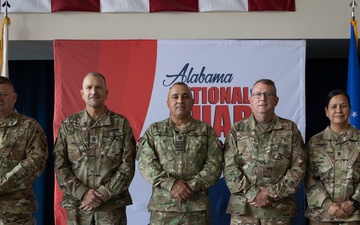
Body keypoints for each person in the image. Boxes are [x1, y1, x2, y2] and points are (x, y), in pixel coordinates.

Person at [53, 72, 136, 225]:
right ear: (82, 94)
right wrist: (82, 193)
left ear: (106, 93)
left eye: (98, 87)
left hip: (110, 208)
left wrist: (104, 193)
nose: (93, 92)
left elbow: (128, 165)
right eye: (89, 87)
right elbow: (60, 164)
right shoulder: (69, 125)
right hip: (78, 207)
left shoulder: (121, 124)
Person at [137, 82, 223, 225]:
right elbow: (146, 164)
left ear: (192, 102)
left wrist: (191, 186)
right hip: (163, 211)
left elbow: (215, 165)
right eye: (175, 97)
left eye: (185, 97)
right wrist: (171, 184)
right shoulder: (154, 131)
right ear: (168, 102)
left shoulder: (206, 131)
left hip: (196, 211)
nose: (180, 101)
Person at [223, 78, 306, 225]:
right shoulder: (237, 130)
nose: (262, 98)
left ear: (276, 100)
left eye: (268, 94)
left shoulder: (290, 129)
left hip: (278, 210)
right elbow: (230, 168)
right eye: (257, 94)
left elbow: (299, 167)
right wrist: (253, 193)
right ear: (250, 100)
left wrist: (271, 192)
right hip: (244, 211)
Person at [305, 89, 360, 224]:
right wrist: (328, 205)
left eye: (343, 106)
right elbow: (309, 177)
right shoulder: (315, 142)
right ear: (326, 111)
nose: (339, 110)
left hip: (354, 215)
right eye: (333, 106)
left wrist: (354, 202)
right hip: (321, 215)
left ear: (350, 109)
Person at [0, 77, 48, 225]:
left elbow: (36, 162)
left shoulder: (29, 127)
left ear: (14, 97)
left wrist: (2, 184)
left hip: (16, 213)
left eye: (4, 94)